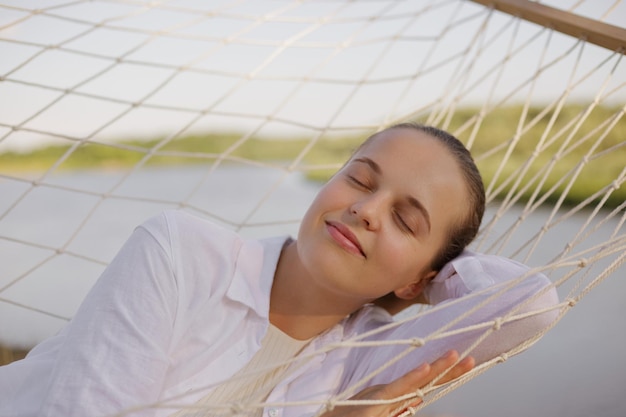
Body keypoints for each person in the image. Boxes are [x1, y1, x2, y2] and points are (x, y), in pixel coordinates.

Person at [0, 123, 558, 417]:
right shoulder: (181, 254)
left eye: (405, 219)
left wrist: (436, 273)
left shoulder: (362, 359)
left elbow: (529, 308)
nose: (364, 209)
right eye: (360, 180)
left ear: (420, 280)